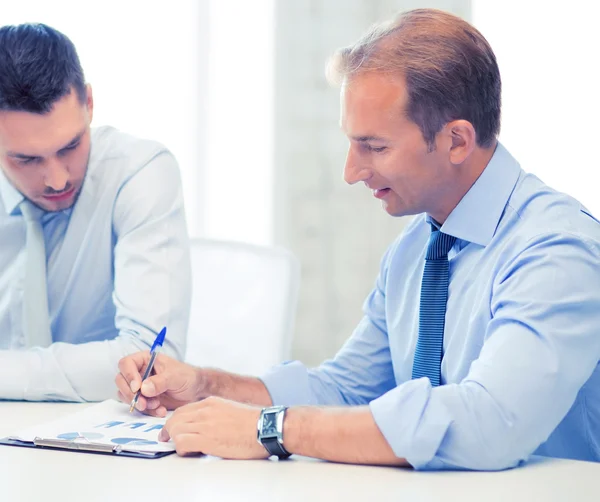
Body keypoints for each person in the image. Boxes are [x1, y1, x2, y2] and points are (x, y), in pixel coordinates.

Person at [116, 8, 600, 470]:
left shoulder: (556, 249)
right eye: (352, 142)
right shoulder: (416, 247)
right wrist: (206, 386)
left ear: (456, 140)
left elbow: (491, 422)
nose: (351, 172)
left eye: (374, 146)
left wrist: (271, 430)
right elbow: (346, 390)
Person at [0, 23, 191, 402]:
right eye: (26, 159)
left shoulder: (140, 171)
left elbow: (152, 360)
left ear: (89, 102)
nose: (56, 180)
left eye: (71, 145)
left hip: (103, 435)